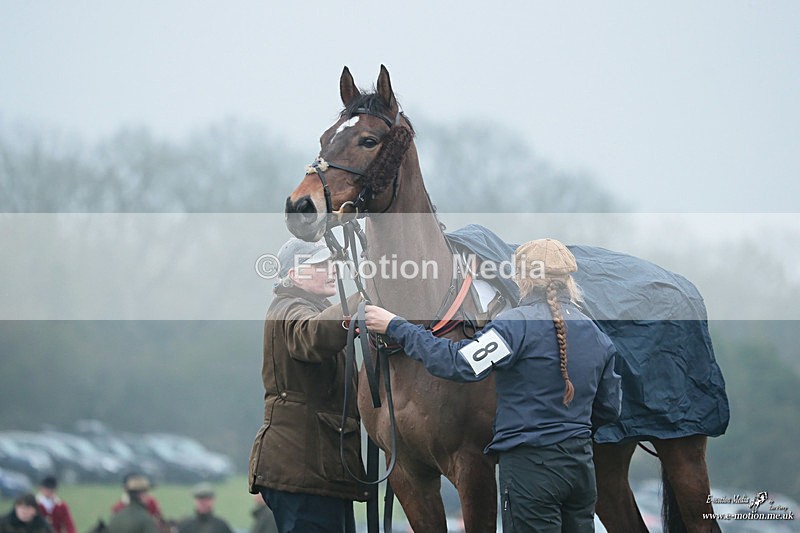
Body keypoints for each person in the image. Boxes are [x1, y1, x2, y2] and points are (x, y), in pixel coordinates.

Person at [365, 238, 623, 533]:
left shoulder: (513, 327)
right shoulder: (597, 334)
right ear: (568, 280)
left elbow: (458, 363)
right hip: (580, 470)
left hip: (530, 470)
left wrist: (397, 326)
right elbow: (609, 409)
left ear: (522, 278)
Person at [248, 238, 369, 533]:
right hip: (301, 471)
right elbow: (311, 334)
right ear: (294, 275)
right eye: (319, 265)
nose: (331, 270)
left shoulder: (315, 307)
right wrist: (361, 300)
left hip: (318, 469)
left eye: (331, 263)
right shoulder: (287, 308)